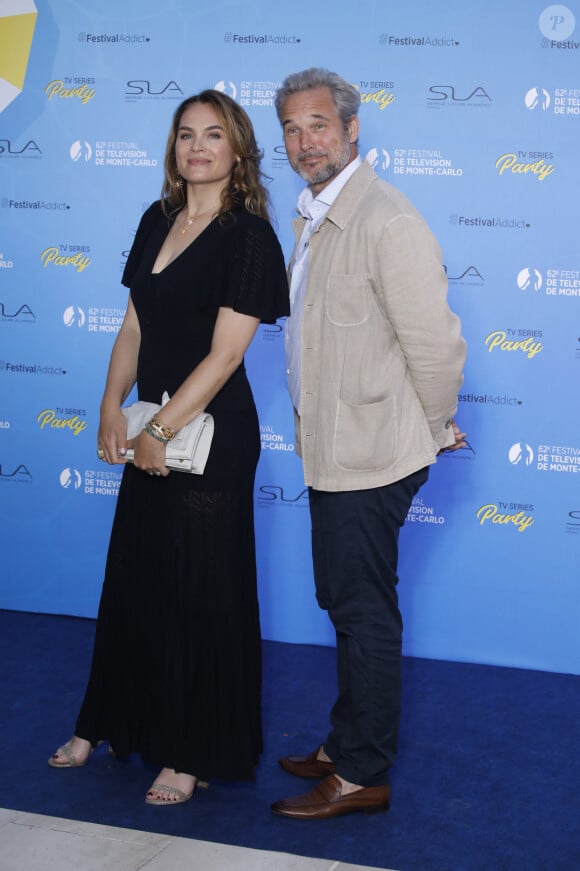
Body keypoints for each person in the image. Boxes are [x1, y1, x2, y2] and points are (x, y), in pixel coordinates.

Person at [48, 90, 289, 805]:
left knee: (200, 593)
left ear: (238, 149)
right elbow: (132, 326)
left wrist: (160, 430)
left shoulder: (249, 237)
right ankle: (105, 720)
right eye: (186, 135)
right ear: (173, 147)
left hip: (211, 436)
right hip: (151, 418)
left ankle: (192, 750)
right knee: (133, 580)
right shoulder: (157, 218)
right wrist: (110, 407)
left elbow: (223, 357)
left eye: (214, 135)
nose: (198, 147)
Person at [270, 68, 467, 820]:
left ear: (353, 129)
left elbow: (438, 347)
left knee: (363, 612)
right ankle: (347, 737)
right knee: (345, 601)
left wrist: (429, 428)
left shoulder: (386, 219)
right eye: (291, 128)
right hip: (334, 447)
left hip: (372, 453)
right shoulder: (315, 216)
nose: (304, 140)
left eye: (318, 124)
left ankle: (360, 774)